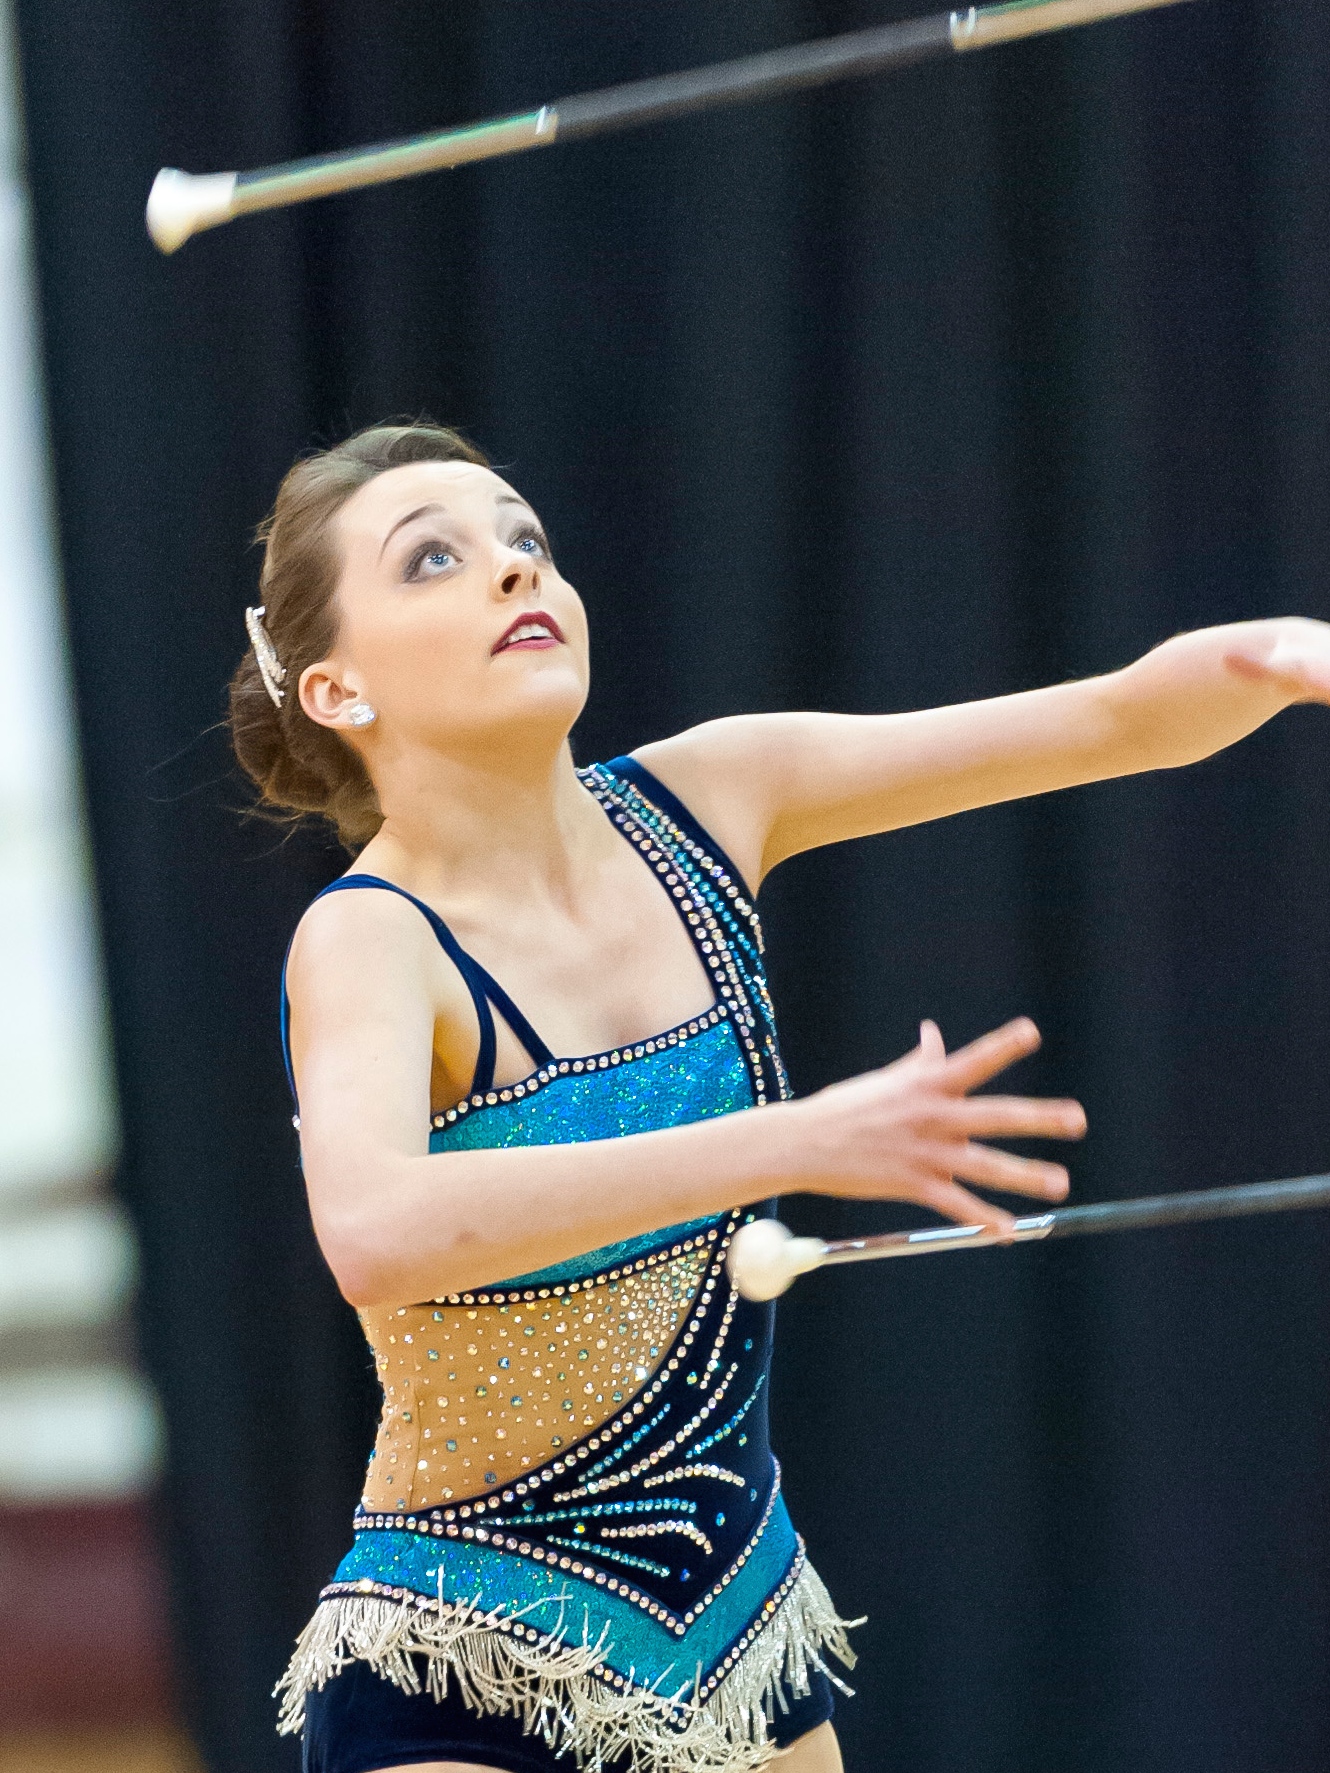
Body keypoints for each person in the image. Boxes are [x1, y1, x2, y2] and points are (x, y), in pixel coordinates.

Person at [231, 421, 1330, 1773]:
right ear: (338, 691)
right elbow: (373, 1226)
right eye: (437, 560)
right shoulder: (372, 937)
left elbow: (1114, 717)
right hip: (463, 1652)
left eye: (526, 541)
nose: (515, 573)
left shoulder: (715, 795)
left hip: (738, 1627)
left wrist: (1271, 657)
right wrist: (797, 1139)